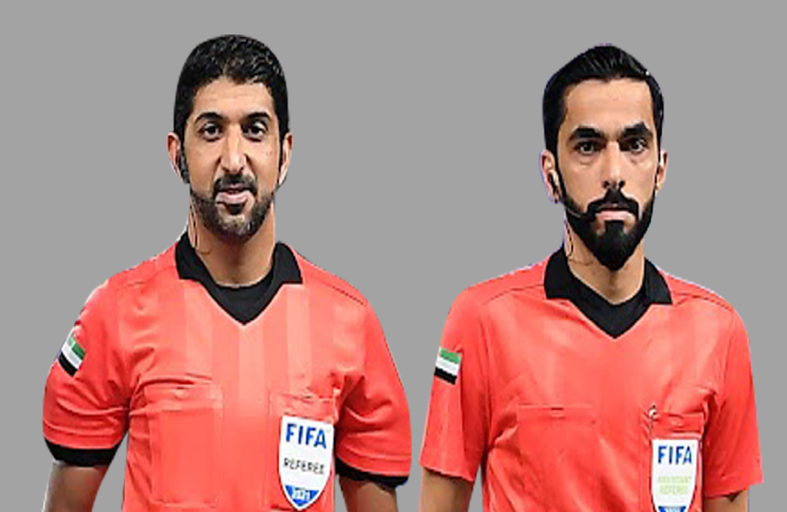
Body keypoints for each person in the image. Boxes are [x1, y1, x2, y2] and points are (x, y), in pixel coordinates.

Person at [42, 34, 411, 512]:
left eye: (255, 130)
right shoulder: (115, 313)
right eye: (211, 131)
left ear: (285, 153)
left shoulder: (350, 324)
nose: (234, 160)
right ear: (177, 153)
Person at [419, 45, 762, 512]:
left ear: (660, 169)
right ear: (550, 175)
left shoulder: (719, 334)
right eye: (588, 147)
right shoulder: (481, 322)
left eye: (634, 145)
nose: (614, 173)